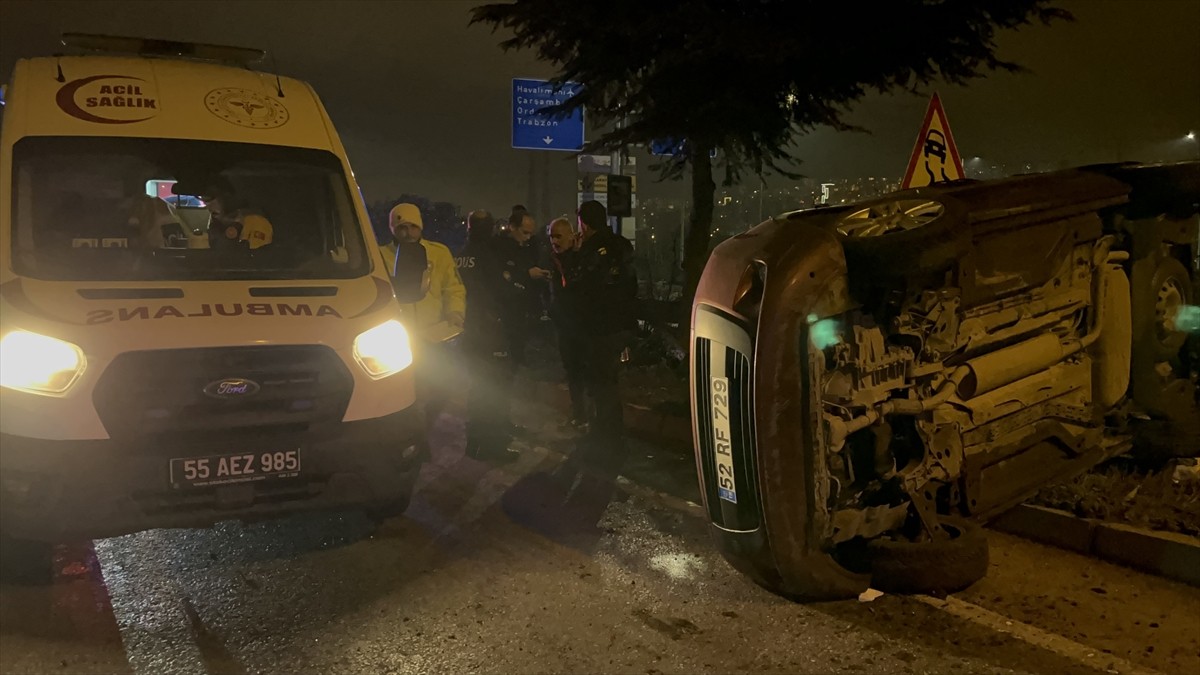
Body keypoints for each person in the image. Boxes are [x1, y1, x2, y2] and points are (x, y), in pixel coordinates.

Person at [380, 202, 466, 429]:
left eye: (412, 226)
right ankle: (412, 435)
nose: (408, 233)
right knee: (405, 392)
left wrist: (455, 312)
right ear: (392, 229)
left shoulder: (439, 253)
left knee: (441, 388)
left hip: (433, 334)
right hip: (398, 337)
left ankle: (426, 425)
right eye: (401, 228)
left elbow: (453, 287)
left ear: (421, 227)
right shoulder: (380, 256)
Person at [458, 209, 519, 461]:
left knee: (477, 386)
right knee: (493, 387)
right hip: (489, 328)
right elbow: (501, 289)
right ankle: (493, 446)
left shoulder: (461, 255)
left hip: (468, 327)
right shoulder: (486, 255)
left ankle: (474, 443)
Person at [574, 200, 637, 442]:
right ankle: (613, 431)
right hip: (622, 324)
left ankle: (604, 434)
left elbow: (584, 289)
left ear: (585, 224)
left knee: (599, 383)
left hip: (598, 327)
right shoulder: (622, 245)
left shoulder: (590, 250)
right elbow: (631, 283)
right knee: (610, 380)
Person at [493, 212, 551, 368]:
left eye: (531, 233)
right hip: (507, 310)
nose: (528, 237)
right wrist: (527, 274)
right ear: (512, 227)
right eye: (525, 232)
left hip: (524, 309)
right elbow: (502, 277)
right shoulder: (499, 248)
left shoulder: (528, 248)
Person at [547, 216, 588, 431]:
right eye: (552, 236)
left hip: (581, 325)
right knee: (572, 372)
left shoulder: (579, 259)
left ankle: (586, 415)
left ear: (571, 237)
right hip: (565, 325)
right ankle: (580, 414)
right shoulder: (554, 259)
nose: (554, 240)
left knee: (583, 372)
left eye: (559, 236)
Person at [201, 179, 273, 251]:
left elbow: (256, 253)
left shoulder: (255, 220)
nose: (208, 207)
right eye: (204, 202)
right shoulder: (217, 223)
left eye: (210, 200)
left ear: (227, 195)